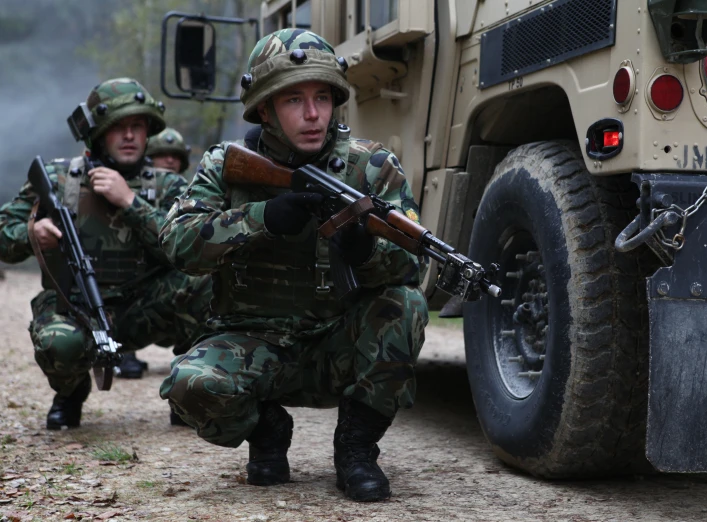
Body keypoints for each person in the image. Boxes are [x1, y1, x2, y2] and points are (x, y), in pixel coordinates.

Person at [158, 29, 429, 502]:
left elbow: (410, 264)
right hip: (253, 343)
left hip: (336, 343)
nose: (312, 114)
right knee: (189, 386)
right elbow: (176, 243)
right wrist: (261, 218)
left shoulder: (370, 167)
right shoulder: (227, 166)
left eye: (322, 97)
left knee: (405, 305)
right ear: (264, 109)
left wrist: (366, 251)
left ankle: (356, 450)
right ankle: (267, 431)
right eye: (294, 100)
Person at [0, 78, 212, 429]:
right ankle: (70, 391)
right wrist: (31, 234)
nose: (129, 135)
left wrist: (130, 202)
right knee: (58, 343)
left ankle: (186, 390)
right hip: (76, 307)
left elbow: (190, 248)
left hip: (143, 308)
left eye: (137, 126)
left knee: (207, 282)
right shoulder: (57, 179)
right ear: (97, 133)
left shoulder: (167, 185)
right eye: (118, 127)